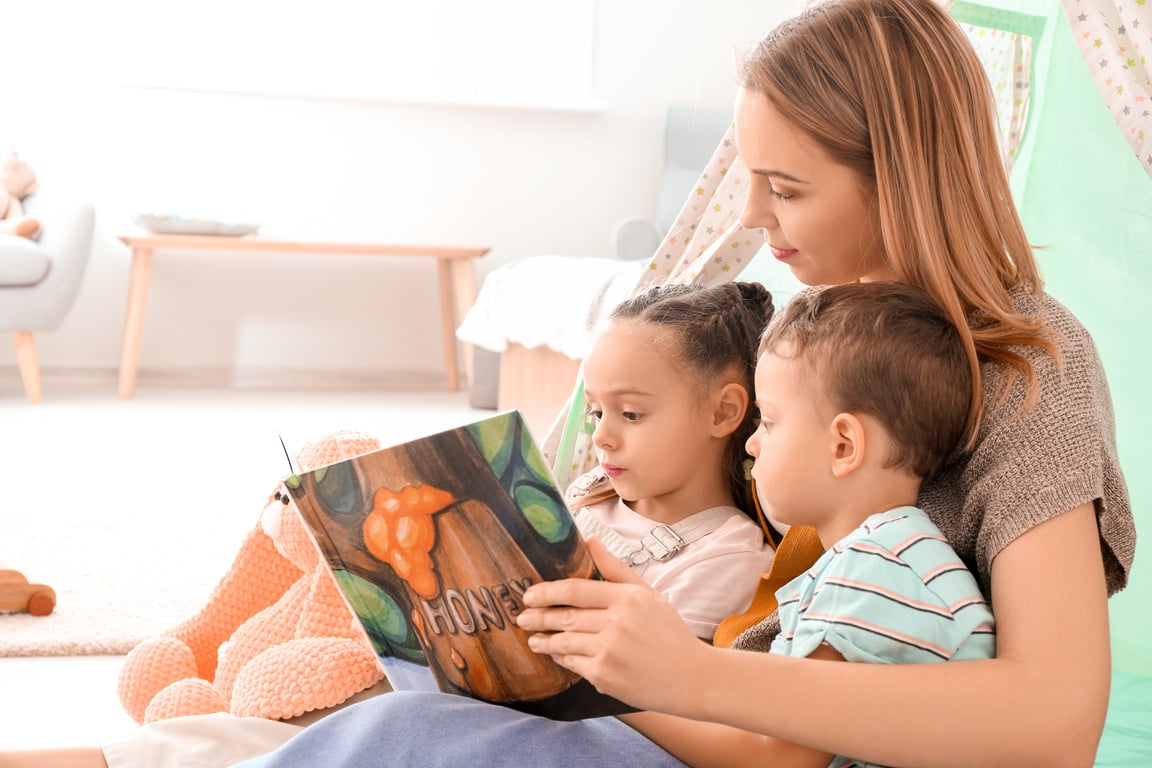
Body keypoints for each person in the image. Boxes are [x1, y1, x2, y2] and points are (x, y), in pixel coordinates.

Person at [0, 0, 1135, 765]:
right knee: (386, 662)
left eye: (784, 189)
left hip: (724, 726)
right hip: (686, 701)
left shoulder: (1030, 361)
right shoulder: (811, 327)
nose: (748, 220)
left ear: (902, 172)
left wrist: (678, 674)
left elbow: (1055, 719)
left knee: (393, 736)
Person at [740, 280, 996, 766]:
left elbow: (776, 758)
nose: (752, 445)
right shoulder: (887, 557)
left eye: (768, 422)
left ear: (844, 446)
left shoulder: (873, 571)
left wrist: (625, 694)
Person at [566, 281, 777, 641]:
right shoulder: (590, 491)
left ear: (722, 412)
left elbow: (660, 682)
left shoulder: (728, 560)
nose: (601, 436)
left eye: (631, 414)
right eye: (597, 412)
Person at [0, 152, 40, 238]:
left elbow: (15, 218)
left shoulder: (11, 200)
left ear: (29, 187)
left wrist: (18, 227)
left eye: (24, 164)